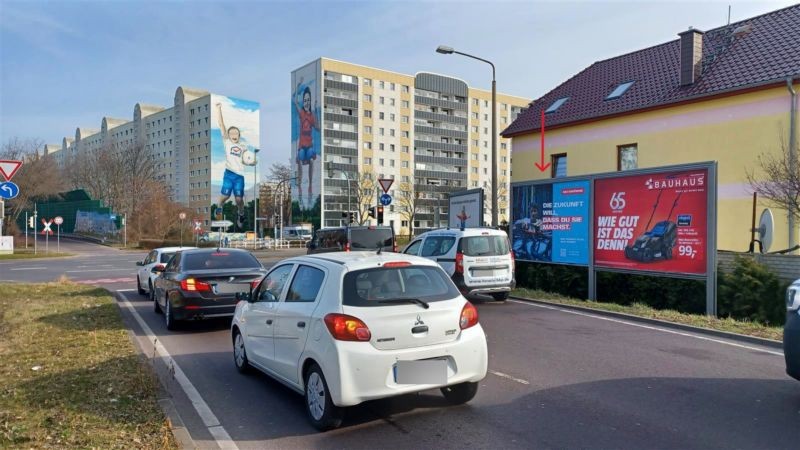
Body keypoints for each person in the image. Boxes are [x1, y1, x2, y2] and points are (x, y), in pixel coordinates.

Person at [214, 103, 250, 229]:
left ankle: (241, 214)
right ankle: (219, 206)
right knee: (225, 196)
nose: (234, 134)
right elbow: (221, 125)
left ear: (239, 136)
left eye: (236, 133)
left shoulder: (243, 147)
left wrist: (251, 161)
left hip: (239, 176)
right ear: (228, 136)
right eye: (231, 133)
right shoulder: (227, 142)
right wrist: (218, 109)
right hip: (229, 174)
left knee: (239, 199)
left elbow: (247, 160)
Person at [293, 78, 319, 208]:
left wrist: (316, 110)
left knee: (312, 160)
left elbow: (318, 128)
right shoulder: (301, 113)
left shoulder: (312, 115)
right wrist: (298, 86)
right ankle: (299, 192)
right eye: (305, 100)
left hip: (310, 146)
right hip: (302, 146)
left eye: (309, 100)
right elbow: (294, 100)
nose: (307, 102)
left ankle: (309, 189)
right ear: (303, 102)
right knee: (299, 160)